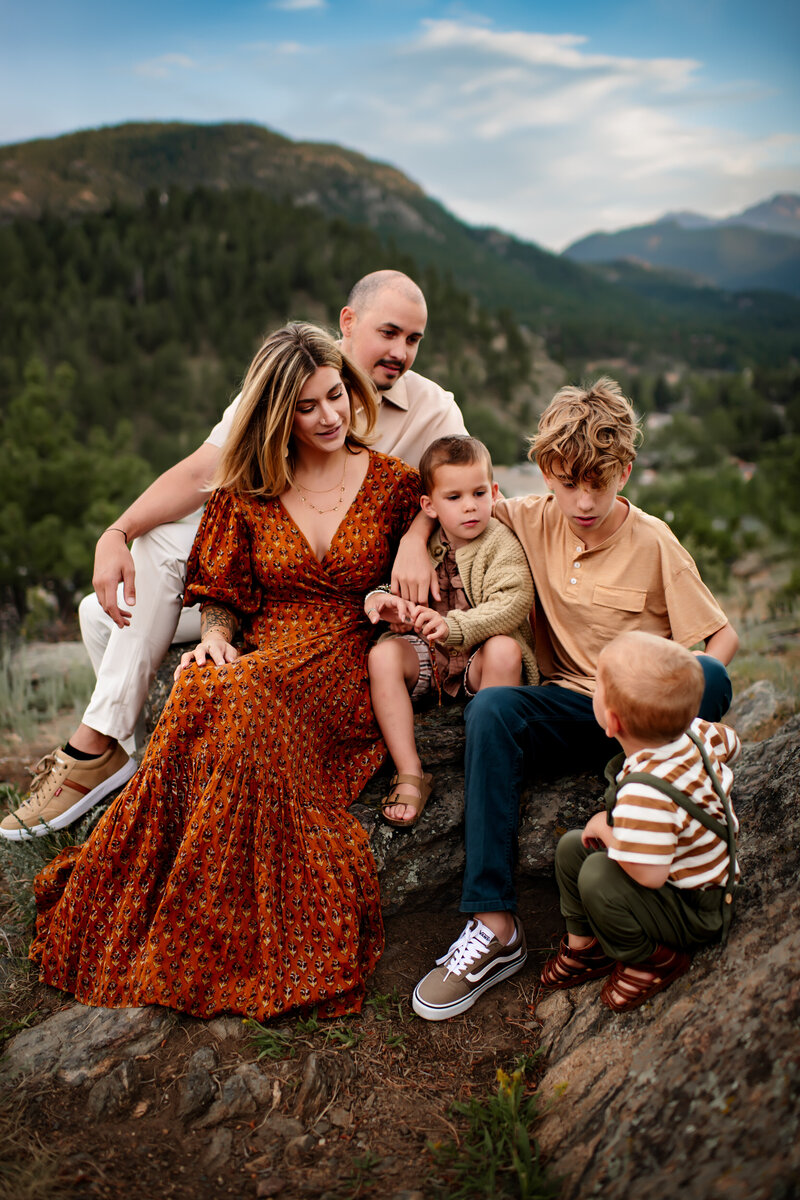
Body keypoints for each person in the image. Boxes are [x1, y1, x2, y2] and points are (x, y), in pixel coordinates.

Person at [30, 322, 421, 1021]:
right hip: (268, 648)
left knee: (240, 696)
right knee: (203, 684)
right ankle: (168, 888)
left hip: (342, 664)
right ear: (278, 415)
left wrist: (419, 542)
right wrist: (213, 636)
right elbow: (222, 590)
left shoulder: (394, 484)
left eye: (335, 396)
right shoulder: (249, 491)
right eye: (306, 407)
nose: (328, 416)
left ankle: (220, 922)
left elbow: (452, 529)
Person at [1, 270, 465, 841]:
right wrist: (115, 532)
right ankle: (133, 758)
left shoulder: (432, 408)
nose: (400, 352)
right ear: (348, 322)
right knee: (102, 609)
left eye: (414, 339)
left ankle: (103, 750)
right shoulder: (283, 377)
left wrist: (417, 534)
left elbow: (463, 486)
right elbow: (204, 471)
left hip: (345, 602)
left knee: (119, 612)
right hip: (268, 580)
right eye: (389, 333)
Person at [412, 377, 739, 1021]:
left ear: (626, 469)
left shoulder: (654, 541)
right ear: (544, 472)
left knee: (715, 677)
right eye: (567, 483)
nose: (583, 501)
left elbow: (720, 636)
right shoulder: (529, 516)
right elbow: (449, 503)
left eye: (599, 482)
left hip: (641, 713)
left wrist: (664, 701)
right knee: (493, 709)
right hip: (571, 709)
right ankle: (494, 925)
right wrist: (407, 541)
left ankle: (652, 790)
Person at [540, 631, 741, 1012]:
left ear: (612, 721)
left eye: (596, 686)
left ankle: (652, 959)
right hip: (674, 876)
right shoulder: (696, 730)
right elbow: (732, 743)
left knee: (596, 875)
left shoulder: (645, 792)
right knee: (572, 847)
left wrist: (603, 829)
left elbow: (648, 874)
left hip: (697, 905)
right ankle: (586, 948)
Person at [364, 435, 538, 828]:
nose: (471, 506)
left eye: (479, 493)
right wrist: (380, 603)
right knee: (383, 655)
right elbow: (389, 588)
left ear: (494, 492)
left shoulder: (500, 542)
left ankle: (491, 760)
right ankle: (410, 771)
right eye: (454, 497)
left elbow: (512, 602)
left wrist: (452, 625)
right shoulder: (422, 546)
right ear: (430, 506)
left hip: (479, 661)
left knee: (506, 650)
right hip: (431, 658)